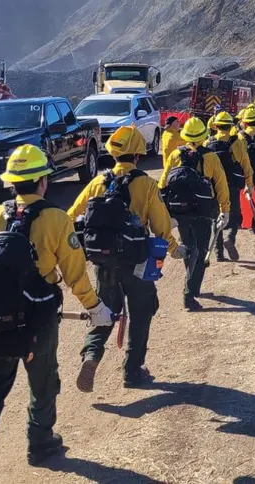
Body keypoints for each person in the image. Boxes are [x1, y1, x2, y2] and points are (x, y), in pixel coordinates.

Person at [0, 144, 113, 477]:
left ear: (12, 183)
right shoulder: (56, 218)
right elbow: (74, 273)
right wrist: (94, 307)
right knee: (43, 383)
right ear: (43, 181)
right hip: (38, 321)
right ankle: (40, 442)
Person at [68, 126, 183, 392]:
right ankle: (132, 371)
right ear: (138, 156)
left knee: (104, 312)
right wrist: (173, 248)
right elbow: (161, 225)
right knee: (143, 312)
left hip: (104, 263)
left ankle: (92, 355)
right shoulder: (145, 184)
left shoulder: (98, 182)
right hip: (137, 262)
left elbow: (72, 216)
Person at [158, 116, 230, 311]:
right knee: (201, 249)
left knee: (189, 248)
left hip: (181, 211)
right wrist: (225, 210)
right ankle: (190, 292)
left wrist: (165, 211)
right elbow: (221, 185)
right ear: (204, 135)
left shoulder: (175, 155)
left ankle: (191, 282)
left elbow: (163, 183)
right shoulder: (211, 157)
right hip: (204, 211)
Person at [206, 111, 254, 262]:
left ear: (216, 125)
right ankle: (230, 238)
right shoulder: (237, 142)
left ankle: (218, 253)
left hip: (214, 186)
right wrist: (249, 184)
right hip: (232, 185)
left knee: (216, 218)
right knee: (234, 216)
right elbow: (246, 165)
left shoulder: (209, 142)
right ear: (230, 126)